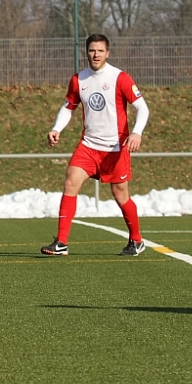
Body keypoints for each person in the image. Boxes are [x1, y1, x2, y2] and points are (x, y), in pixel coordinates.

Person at [42, 33, 150, 257]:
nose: (96, 54)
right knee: (71, 181)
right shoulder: (78, 80)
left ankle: (137, 240)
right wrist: (56, 128)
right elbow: (68, 106)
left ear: (107, 53)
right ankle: (61, 242)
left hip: (115, 149)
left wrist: (137, 133)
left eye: (100, 50)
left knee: (120, 195)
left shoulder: (120, 78)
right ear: (87, 52)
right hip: (89, 146)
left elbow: (143, 108)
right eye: (92, 50)